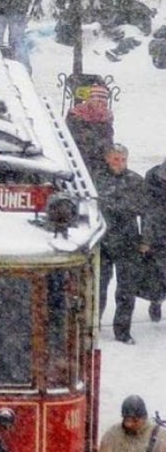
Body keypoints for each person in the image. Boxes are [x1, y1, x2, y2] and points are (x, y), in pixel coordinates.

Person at [94, 144, 146, 344]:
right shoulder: (97, 179)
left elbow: (147, 213)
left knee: (126, 290)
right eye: (116, 159)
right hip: (103, 243)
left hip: (128, 243)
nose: (119, 163)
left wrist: (146, 239)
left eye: (123, 159)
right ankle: (93, 325)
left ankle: (123, 330)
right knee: (99, 288)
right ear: (108, 159)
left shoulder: (135, 181)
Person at [143, 159, 166, 323]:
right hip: (159, 233)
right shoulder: (153, 176)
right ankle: (156, 300)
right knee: (159, 273)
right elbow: (148, 209)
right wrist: (147, 238)